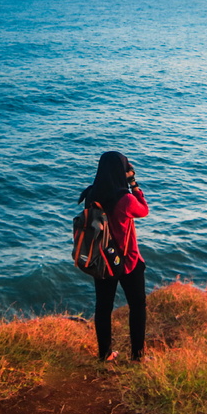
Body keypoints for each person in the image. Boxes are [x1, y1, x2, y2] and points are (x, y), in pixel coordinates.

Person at [79, 151, 149, 362]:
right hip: (127, 261)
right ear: (122, 170)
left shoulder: (91, 194)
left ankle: (105, 354)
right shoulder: (125, 199)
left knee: (103, 307)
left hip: (101, 258)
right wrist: (134, 183)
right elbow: (144, 210)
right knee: (137, 307)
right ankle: (137, 356)